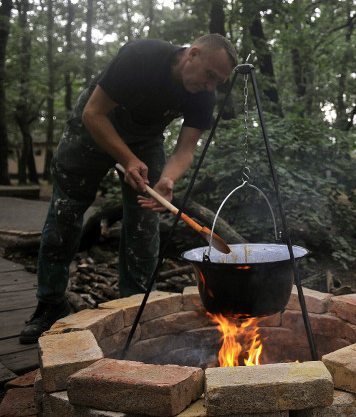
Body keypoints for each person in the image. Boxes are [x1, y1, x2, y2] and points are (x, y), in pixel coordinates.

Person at [19, 34, 237, 344]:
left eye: (218, 81)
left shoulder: (203, 92)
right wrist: (128, 159)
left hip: (145, 140)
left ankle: (135, 309)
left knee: (145, 225)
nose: (210, 86)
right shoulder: (142, 56)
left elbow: (186, 149)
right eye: (210, 76)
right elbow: (93, 113)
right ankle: (50, 304)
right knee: (65, 214)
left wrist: (168, 179)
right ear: (193, 54)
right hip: (92, 129)